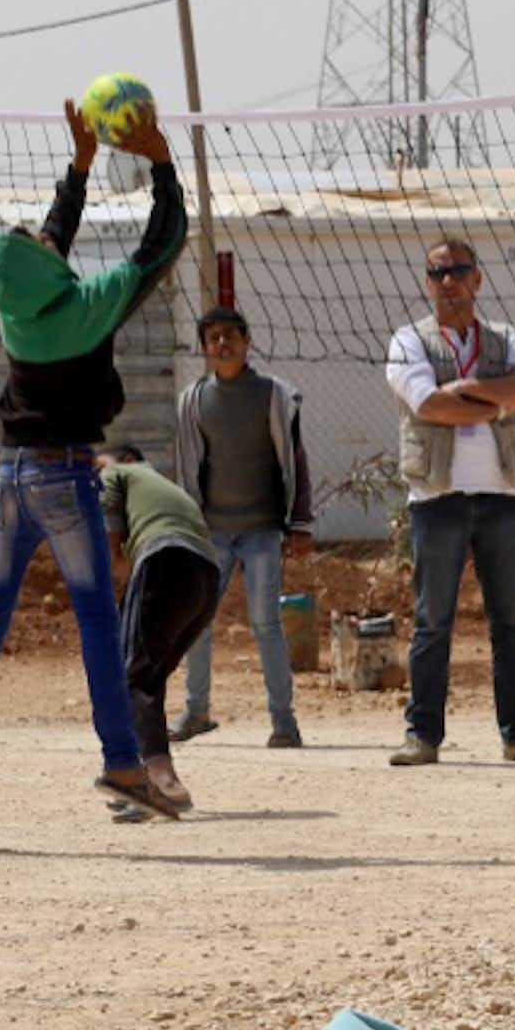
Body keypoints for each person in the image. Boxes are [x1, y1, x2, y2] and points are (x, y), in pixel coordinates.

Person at [0, 96, 185, 826]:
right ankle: (120, 762)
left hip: (9, 474)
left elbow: (48, 240)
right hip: (64, 472)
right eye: (43, 245)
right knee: (97, 620)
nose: (51, 243)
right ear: (42, 268)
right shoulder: (89, 306)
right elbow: (163, 245)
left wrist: (80, 167)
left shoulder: (16, 304)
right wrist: (161, 159)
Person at [382, 238, 515, 768]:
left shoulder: (505, 337)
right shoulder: (407, 341)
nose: (448, 281)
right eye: (438, 273)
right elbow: (430, 405)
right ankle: (423, 736)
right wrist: (493, 400)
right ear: (427, 281)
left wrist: (468, 389)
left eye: (458, 271)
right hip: (437, 497)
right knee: (433, 621)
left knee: (511, 621)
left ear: (477, 278)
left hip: (501, 494)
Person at [169, 305, 315, 749]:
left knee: (266, 622)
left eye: (231, 335)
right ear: (203, 347)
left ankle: (284, 723)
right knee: (197, 622)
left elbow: (295, 461)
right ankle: (196, 712)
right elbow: (186, 469)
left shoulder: (274, 396)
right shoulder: (193, 400)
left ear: (247, 341)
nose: (222, 343)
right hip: (212, 531)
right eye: (213, 337)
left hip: (263, 531)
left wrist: (300, 525)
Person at [95, 446, 224, 816]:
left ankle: (159, 781)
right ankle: (143, 779)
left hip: (163, 559)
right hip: (205, 575)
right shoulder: (164, 485)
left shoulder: (115, 474)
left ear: (124, 460)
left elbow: (110, 544)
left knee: (133, 678)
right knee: (149, 676)